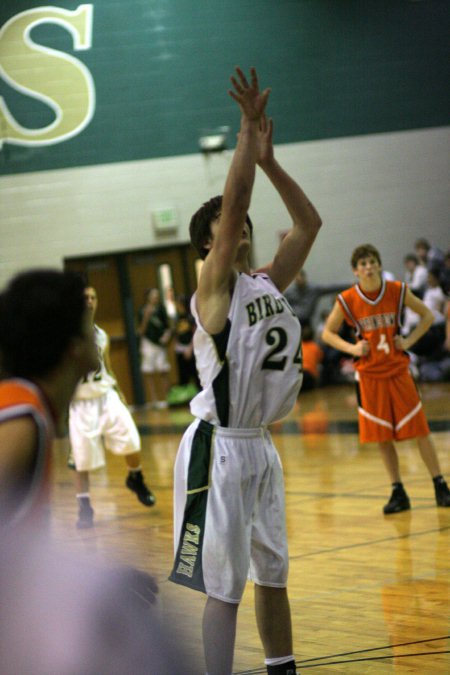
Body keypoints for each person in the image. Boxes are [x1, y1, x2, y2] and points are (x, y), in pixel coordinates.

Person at [169, 67, 322, 675]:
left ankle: (281, 667)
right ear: (208, 248)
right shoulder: (212, 291)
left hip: (261, 444)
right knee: (224, 584)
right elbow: (234, 206)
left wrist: (270, 162)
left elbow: (309, 226)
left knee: (274, 572)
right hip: (219, 447)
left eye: (241, 235)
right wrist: (244, 133)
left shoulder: (265, 283)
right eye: (225, 235)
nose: (238, 237)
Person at [321, 244, 450, 514]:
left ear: (379, 265)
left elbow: (428, 315)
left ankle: (440, 484)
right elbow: (328, 334)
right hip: (369, 375)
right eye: (363, 264)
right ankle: (398, 490)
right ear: (355, 271)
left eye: (372, 262)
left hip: (398, 370)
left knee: (420, 430)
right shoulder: (347, 299)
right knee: (382, 436)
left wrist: (410, 341)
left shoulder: (397, 290)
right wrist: (353, 348)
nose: (368, 267)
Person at [0, 269, 98, 530]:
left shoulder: (31, 407)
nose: (95, 332)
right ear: (74, 345)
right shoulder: (20, 419)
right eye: (88, 324)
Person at [69, 286, 156, 529]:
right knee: (81, 460)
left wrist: (120, 393)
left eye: (93, 297)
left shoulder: (101, 334)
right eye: (84, 297)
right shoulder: (64, 335)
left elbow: (107, 366)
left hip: (106, 395)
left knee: (132, 438)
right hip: (80, 402)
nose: (89, 301)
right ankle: (84, 507)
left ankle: (135, 477)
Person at [138, 288, 172, 409]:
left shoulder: (161, 309)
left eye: (157, 295)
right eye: (153, 295)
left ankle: (167, 399)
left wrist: (166, 336)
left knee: (163, 370)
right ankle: (154, 400)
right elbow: (141, 330)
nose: (155, 298)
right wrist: (146, 316)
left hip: (160, 344)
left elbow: (167, 327)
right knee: (149, 372)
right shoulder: (142, 310)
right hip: (148, 343)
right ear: (148, 297)